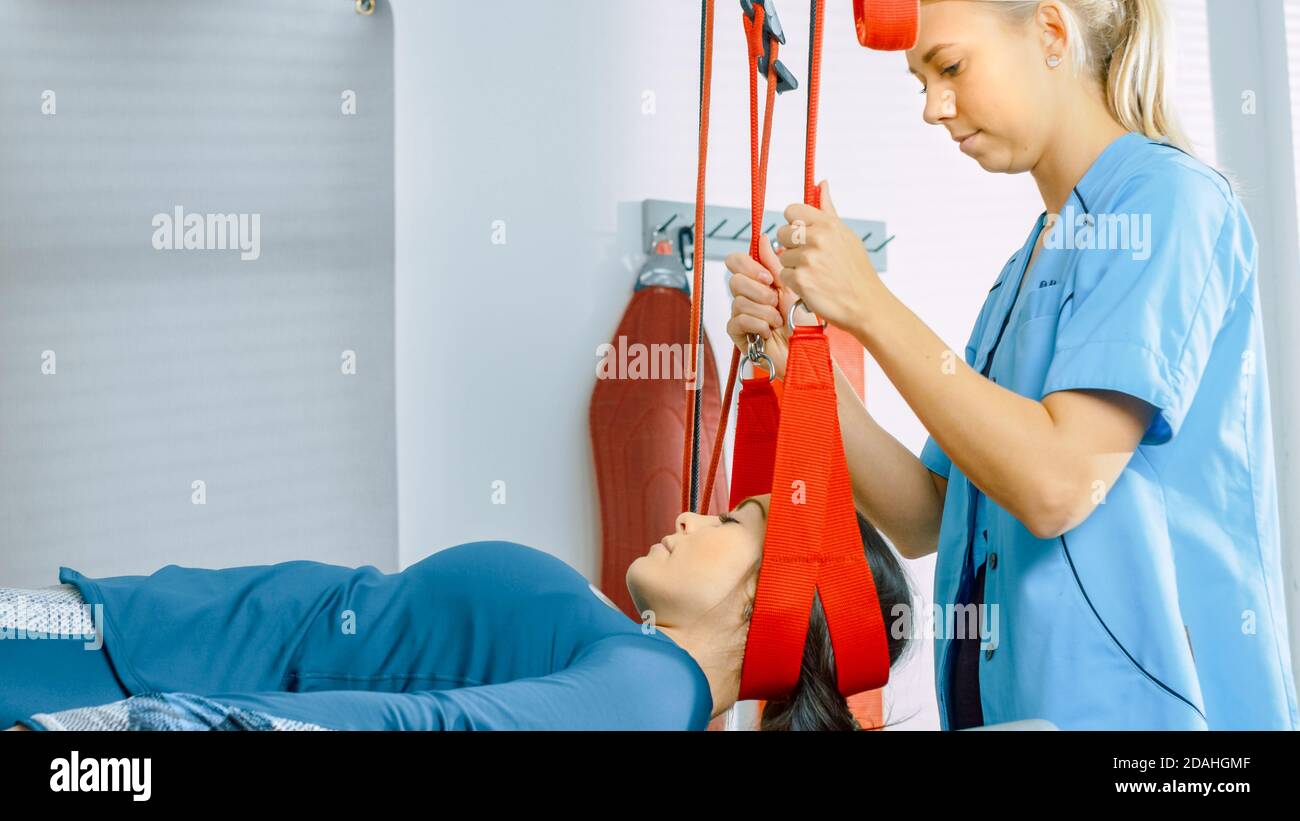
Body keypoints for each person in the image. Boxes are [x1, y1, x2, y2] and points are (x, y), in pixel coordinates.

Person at [725, 0, 1297, 729]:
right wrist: (791, 359)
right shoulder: (1022, 272)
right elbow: (928, 513)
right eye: (919, 80)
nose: (933, 107)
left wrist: (869, 303)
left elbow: (1058, 482)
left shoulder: (1169, 203)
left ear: (1052, 32)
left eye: (951, 67)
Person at [3, 495, 911, 731]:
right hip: (144, 638)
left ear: (768, 600)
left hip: (129, 669)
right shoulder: (643, 669)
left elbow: (427, 725)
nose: (690, 515)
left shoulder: (648, 689)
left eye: (729, 520)